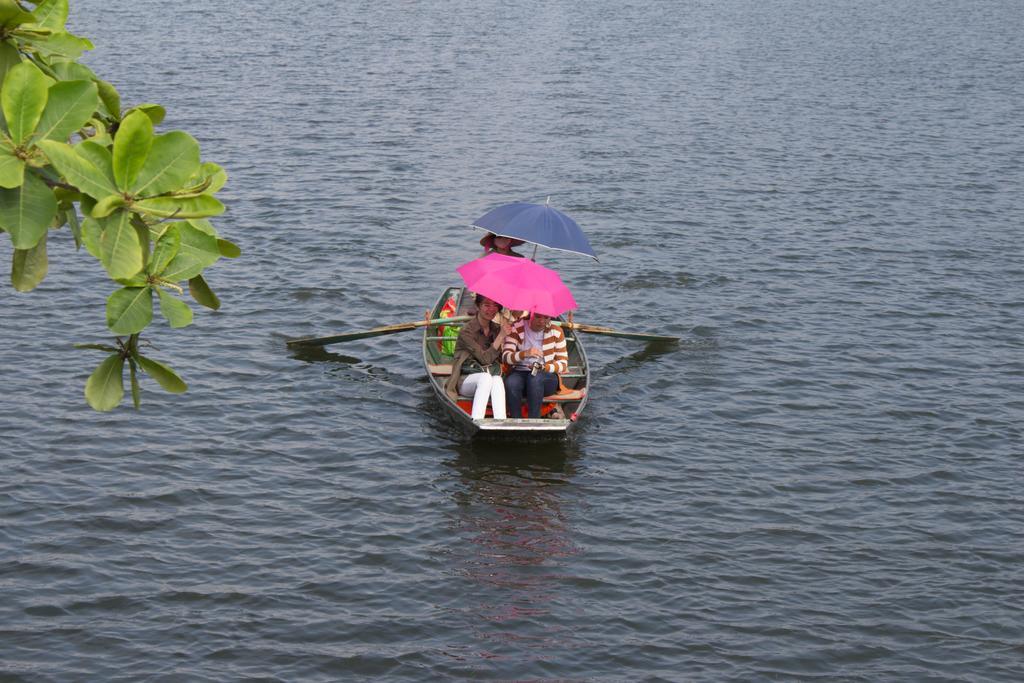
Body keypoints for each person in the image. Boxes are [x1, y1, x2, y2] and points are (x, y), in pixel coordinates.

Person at [443, 295, 512, 420]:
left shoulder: (496, 329)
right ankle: (477, 420)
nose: (491, 309)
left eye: (495, 305)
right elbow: (484, 359)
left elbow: (502, 357)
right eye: (486, 305)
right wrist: (501, 337)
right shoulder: (466, 331)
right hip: (465, 379)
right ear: (478, 306)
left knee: (497, 379)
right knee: (486, 378)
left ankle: (500, 421)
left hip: (491, 376)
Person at [502, 311, 569, 419]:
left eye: (546, 317)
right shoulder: (516, 327)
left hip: (546, 376)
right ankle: (516, 420)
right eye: (538, 316)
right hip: (520, 371)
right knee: (511, 382)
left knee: (535, 378)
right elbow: (506, 357)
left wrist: (544, 367)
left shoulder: (557, 331)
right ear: (531, 314)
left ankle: (534, 420)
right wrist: (525, 353)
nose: (541, 321)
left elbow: (563, 363)